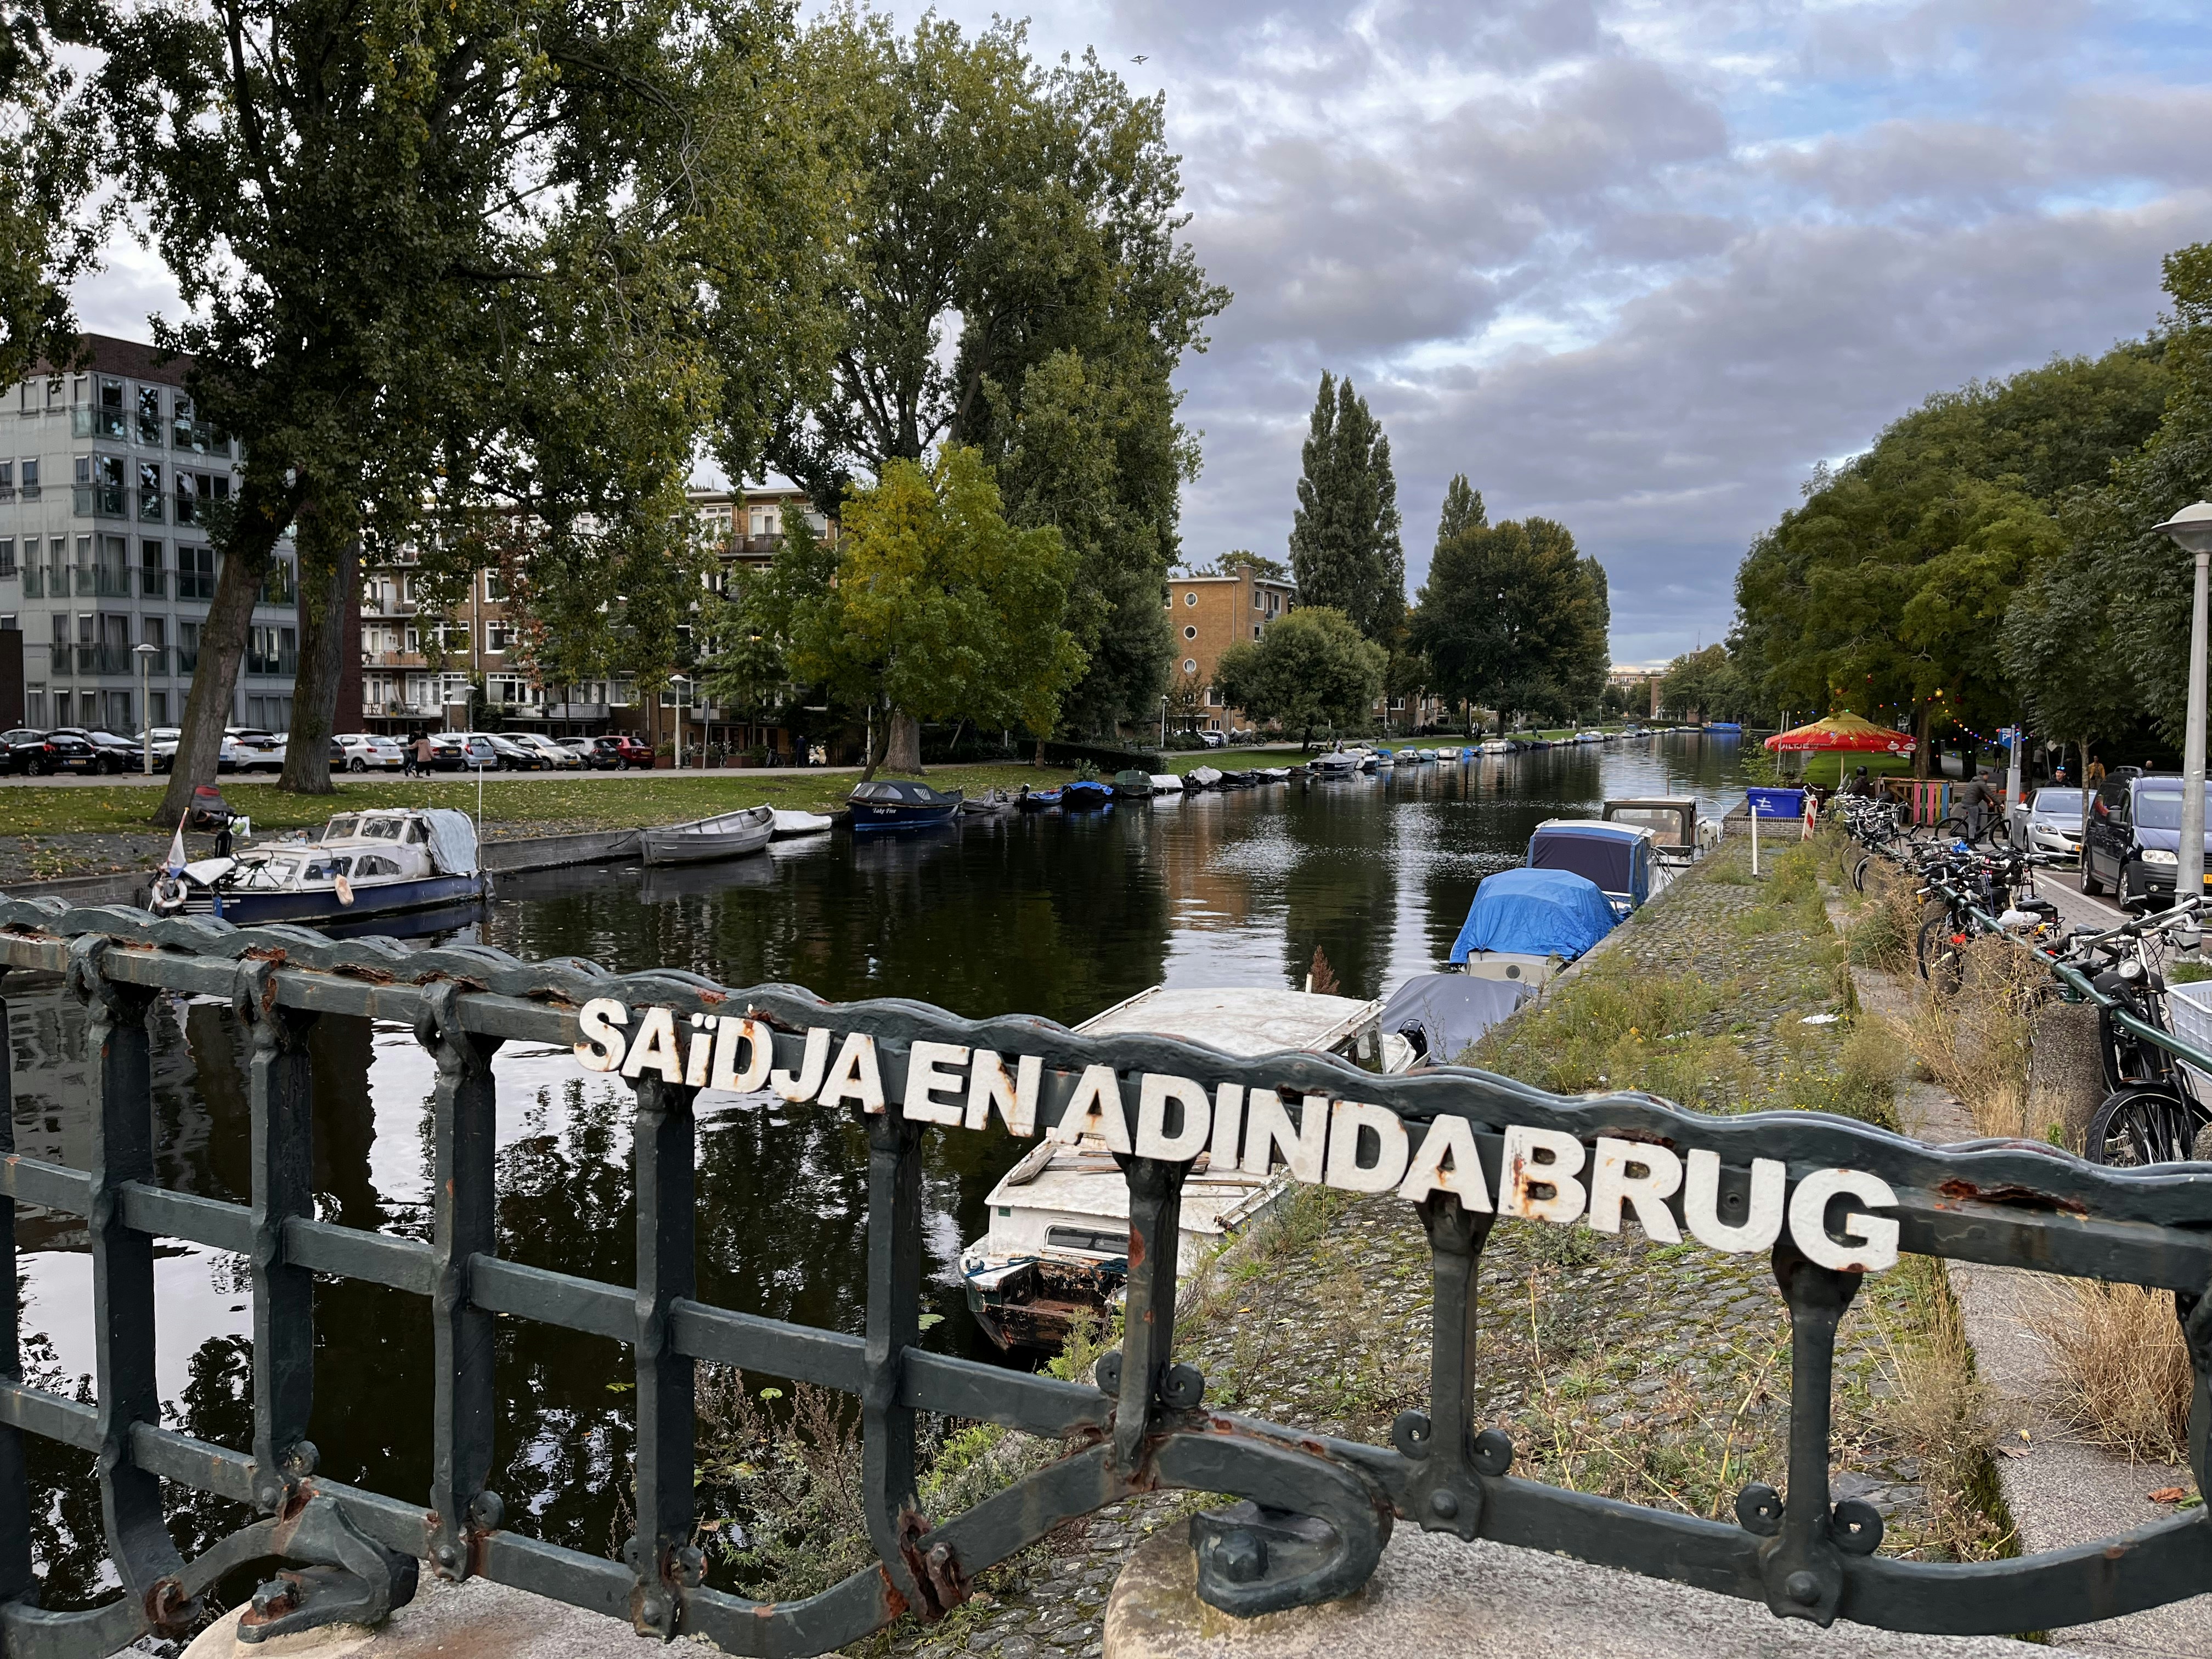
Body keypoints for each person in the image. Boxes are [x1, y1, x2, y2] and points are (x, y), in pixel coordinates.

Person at [1955, 769, 1990, 844]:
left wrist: (1989, 802)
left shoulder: (1975, 781)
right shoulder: (1981, 783)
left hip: (1967, 802)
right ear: (1985, 776)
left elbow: (1982, 795)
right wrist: (2000, 803)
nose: (1988, 778)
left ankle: (1978, 829)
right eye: (1987, 776)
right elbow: (1990, 793)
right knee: (1973, 822)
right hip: (1971, 804)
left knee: (1980, 810)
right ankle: (1971, 842)